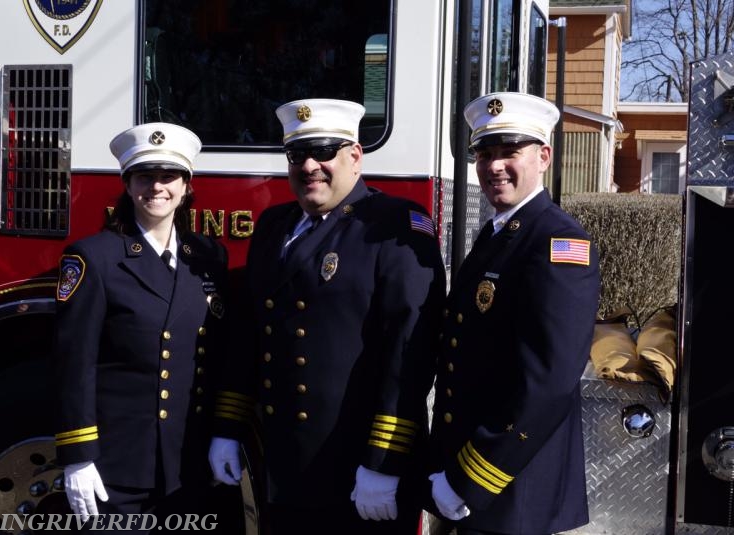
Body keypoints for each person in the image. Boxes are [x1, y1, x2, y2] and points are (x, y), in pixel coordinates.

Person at [209, 98, 446, 534]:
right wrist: (228, 426)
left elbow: (409, 354)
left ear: (354, 156)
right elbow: (249, 337)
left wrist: (384, 462)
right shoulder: (273, 225)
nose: (310, 165)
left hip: (360, 474)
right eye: (298, 155)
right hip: (284, 467)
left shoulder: (395, 225)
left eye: (324, 152)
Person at [52, 122, 242, 532]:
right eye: (144, 176)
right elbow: (74, 364)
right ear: (127, 184)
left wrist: (226, 432)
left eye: (168, 176)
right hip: (117, 468)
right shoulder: (94, 258)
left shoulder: (208, 257)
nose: (157, 187)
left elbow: (226, 356)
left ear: (187, 185)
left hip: (190, 461)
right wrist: (79, 455)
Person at [427, 92, 600, 535]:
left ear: (543, 157)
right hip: (472, 484)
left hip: (510, 490)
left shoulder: (558, 243)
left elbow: (549, 380)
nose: (494, 166)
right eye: (484, 154)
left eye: (509, 152)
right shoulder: (498, 234)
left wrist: (471, 476)